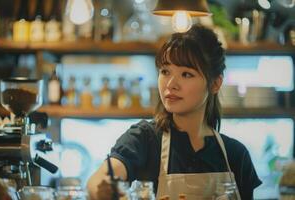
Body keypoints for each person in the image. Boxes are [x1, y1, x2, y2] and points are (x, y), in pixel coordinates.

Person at [87, 24, 262, 200]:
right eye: (165, 71)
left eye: (186, 74)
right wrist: (106, 189)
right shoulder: (143, 139)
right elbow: (99, 180)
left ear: (215, 84)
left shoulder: (236, 155)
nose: (171, 84)